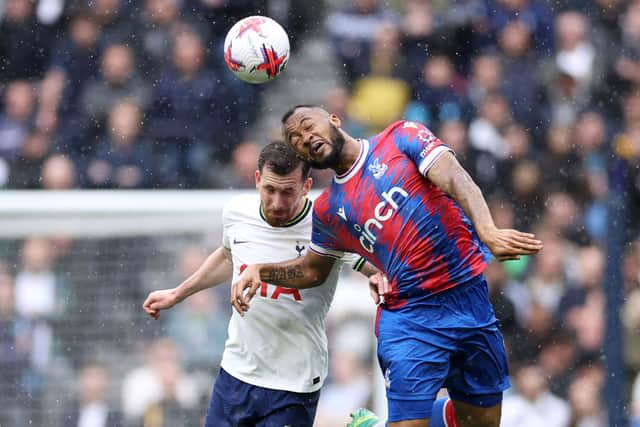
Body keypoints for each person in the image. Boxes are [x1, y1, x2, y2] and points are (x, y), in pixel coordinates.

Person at [232, 106, 543, 427]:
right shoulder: (328, 211)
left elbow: (454, 176)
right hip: (411, 317)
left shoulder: (400, 137)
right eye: (294, 139)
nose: (304, 138)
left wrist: (488, 230)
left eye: (308, 126)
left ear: (334, 120)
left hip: (470, 299)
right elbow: (313, 270)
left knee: (478, 424)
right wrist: (261, 271)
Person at [142, 141, 381, 427]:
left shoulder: (327, 224)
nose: (278, 202)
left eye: (287, 192)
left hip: (295, 381)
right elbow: (229, 255)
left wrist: (379, 275)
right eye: (270, 189)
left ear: (306, 186)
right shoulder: (237, 212)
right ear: (257, 180)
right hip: (237, 371)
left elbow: (373, 265)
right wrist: (178, 293)